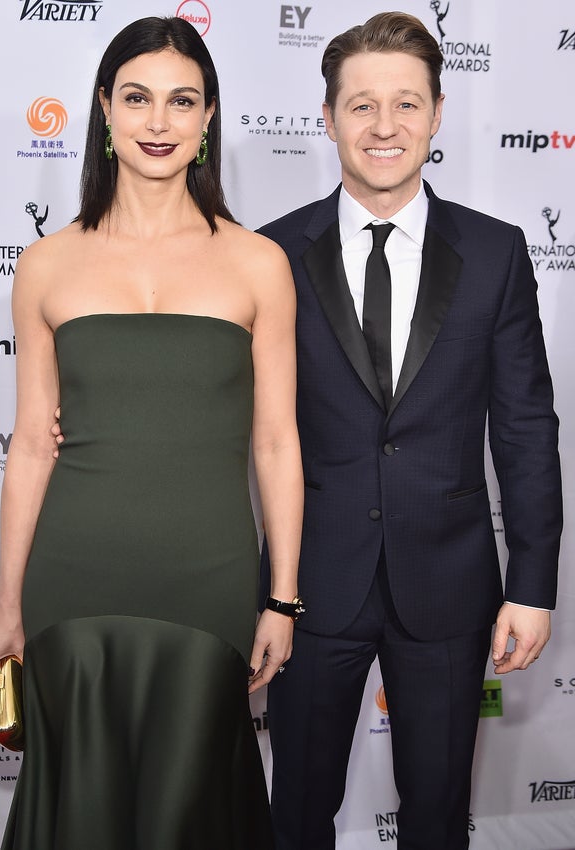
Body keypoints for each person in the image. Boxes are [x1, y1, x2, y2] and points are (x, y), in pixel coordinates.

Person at [0, 16, 303, 850]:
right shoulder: (46, 264)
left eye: (181, 101)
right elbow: (32, 442)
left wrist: (282, 598)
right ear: (105, 111)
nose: (158, 122)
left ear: (208, 120)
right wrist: (8, 603)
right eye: (138, 99)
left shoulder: (258, 262)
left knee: (185, 817)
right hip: (73, 584)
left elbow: (276, 442)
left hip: (210, 584)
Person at [257, 12, 562, 850]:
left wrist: (532, 582)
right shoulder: (270, 254)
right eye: (360, 106)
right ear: (328, 119)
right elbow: (229, 406)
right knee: (296, 814)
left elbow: (527, 424)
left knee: (437, 816)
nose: (383, 127)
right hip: (310, 585)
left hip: (453, 585)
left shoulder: (496, 253)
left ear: (435, 115)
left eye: (405, 104)